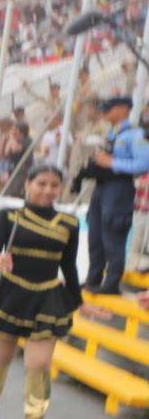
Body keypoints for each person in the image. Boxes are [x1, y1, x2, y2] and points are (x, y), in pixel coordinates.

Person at [0, 163, 94, 419]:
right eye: (42, 183)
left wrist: (78, 301)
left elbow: (69, 267)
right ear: (28, 183)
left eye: (55, 184)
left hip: (47, 295)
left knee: (39, 364)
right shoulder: (9, 217)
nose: (48, 190)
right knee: (0, 356)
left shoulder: (69, 223)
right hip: (12, 293)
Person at [79, 96, 149, 294]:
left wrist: (111, 163)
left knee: (112, 235)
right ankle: (93, 277)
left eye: (110, 108)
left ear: (124, 109)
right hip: (102, 188)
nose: (105, 111)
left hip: (119, 188)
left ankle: (111, 283)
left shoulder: (135, 134)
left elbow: (144, 163)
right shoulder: (112, 134)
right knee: (95, 234)